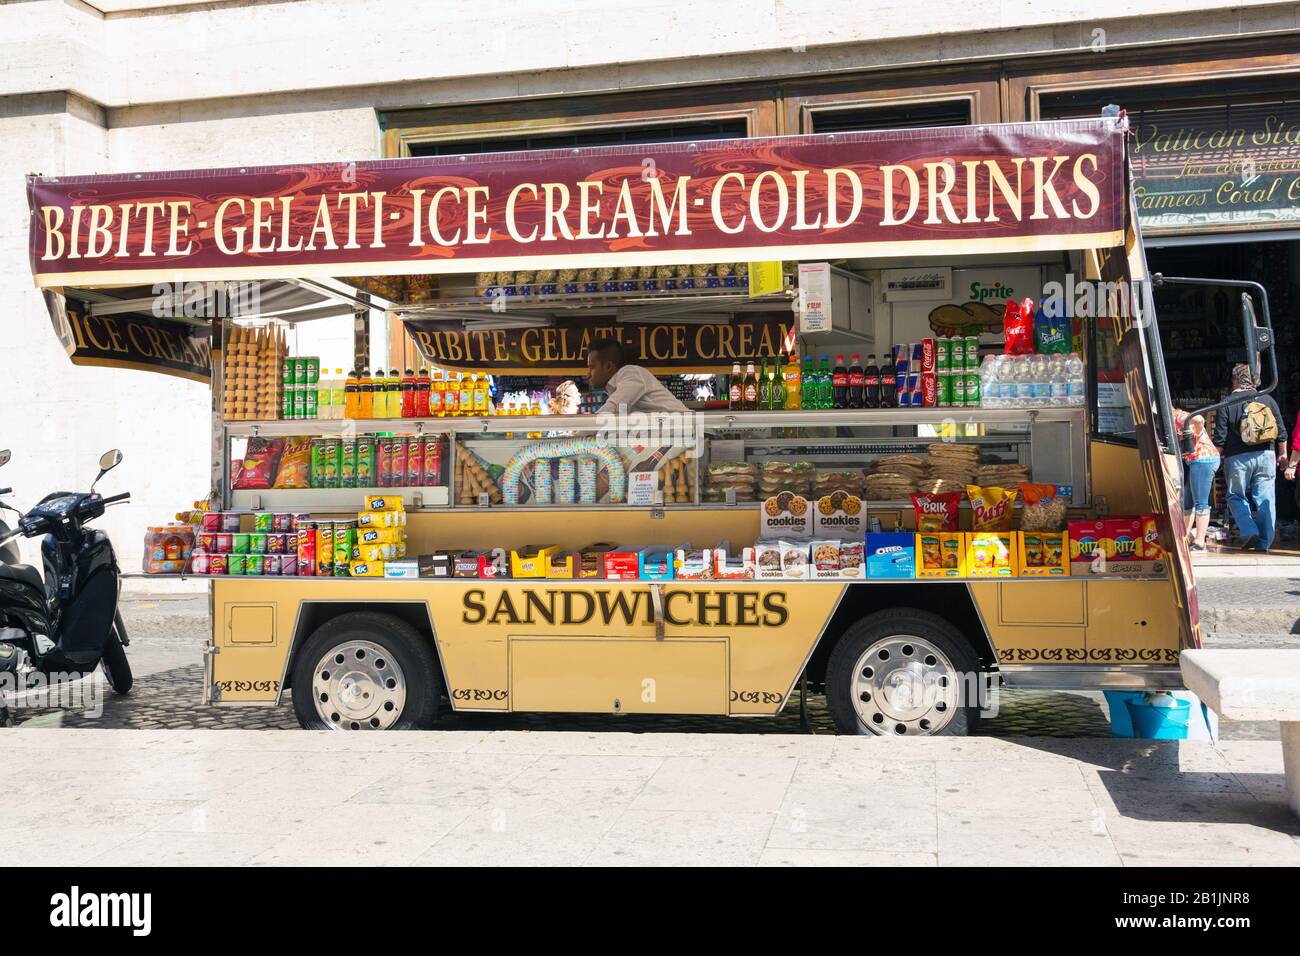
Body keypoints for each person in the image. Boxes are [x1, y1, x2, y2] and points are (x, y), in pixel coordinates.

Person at [1211, 363, 1288, 552]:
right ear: (1253, 380)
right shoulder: (1268, 399)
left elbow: (1219, 440)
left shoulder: (1227, 403)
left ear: (1235, 380)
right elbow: (1281, 432)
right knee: (1265, 498)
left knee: (1235, 496)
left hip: (1237, 458)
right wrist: (1283, 454)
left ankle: (1248, 530)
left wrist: (1213, 464)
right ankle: (1264, 543)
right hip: (1266, 455)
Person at [584, 336, 688, 415]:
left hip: (690, 433)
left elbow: (612, 409)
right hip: (675, 436)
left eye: (592, 367)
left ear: (608, 366)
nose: (588, 374)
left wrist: (578, 432)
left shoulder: (630, 373)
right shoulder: (615, 387)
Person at [1173, 407, 1220, 552]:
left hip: (1203, 460)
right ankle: (1185, 536)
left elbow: (1199, 419)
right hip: (1196, 462)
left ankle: (1199, 541)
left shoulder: (1178, 417)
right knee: (1188, 501)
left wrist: (1194, 428)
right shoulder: (1176, 418)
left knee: (1200, 502)